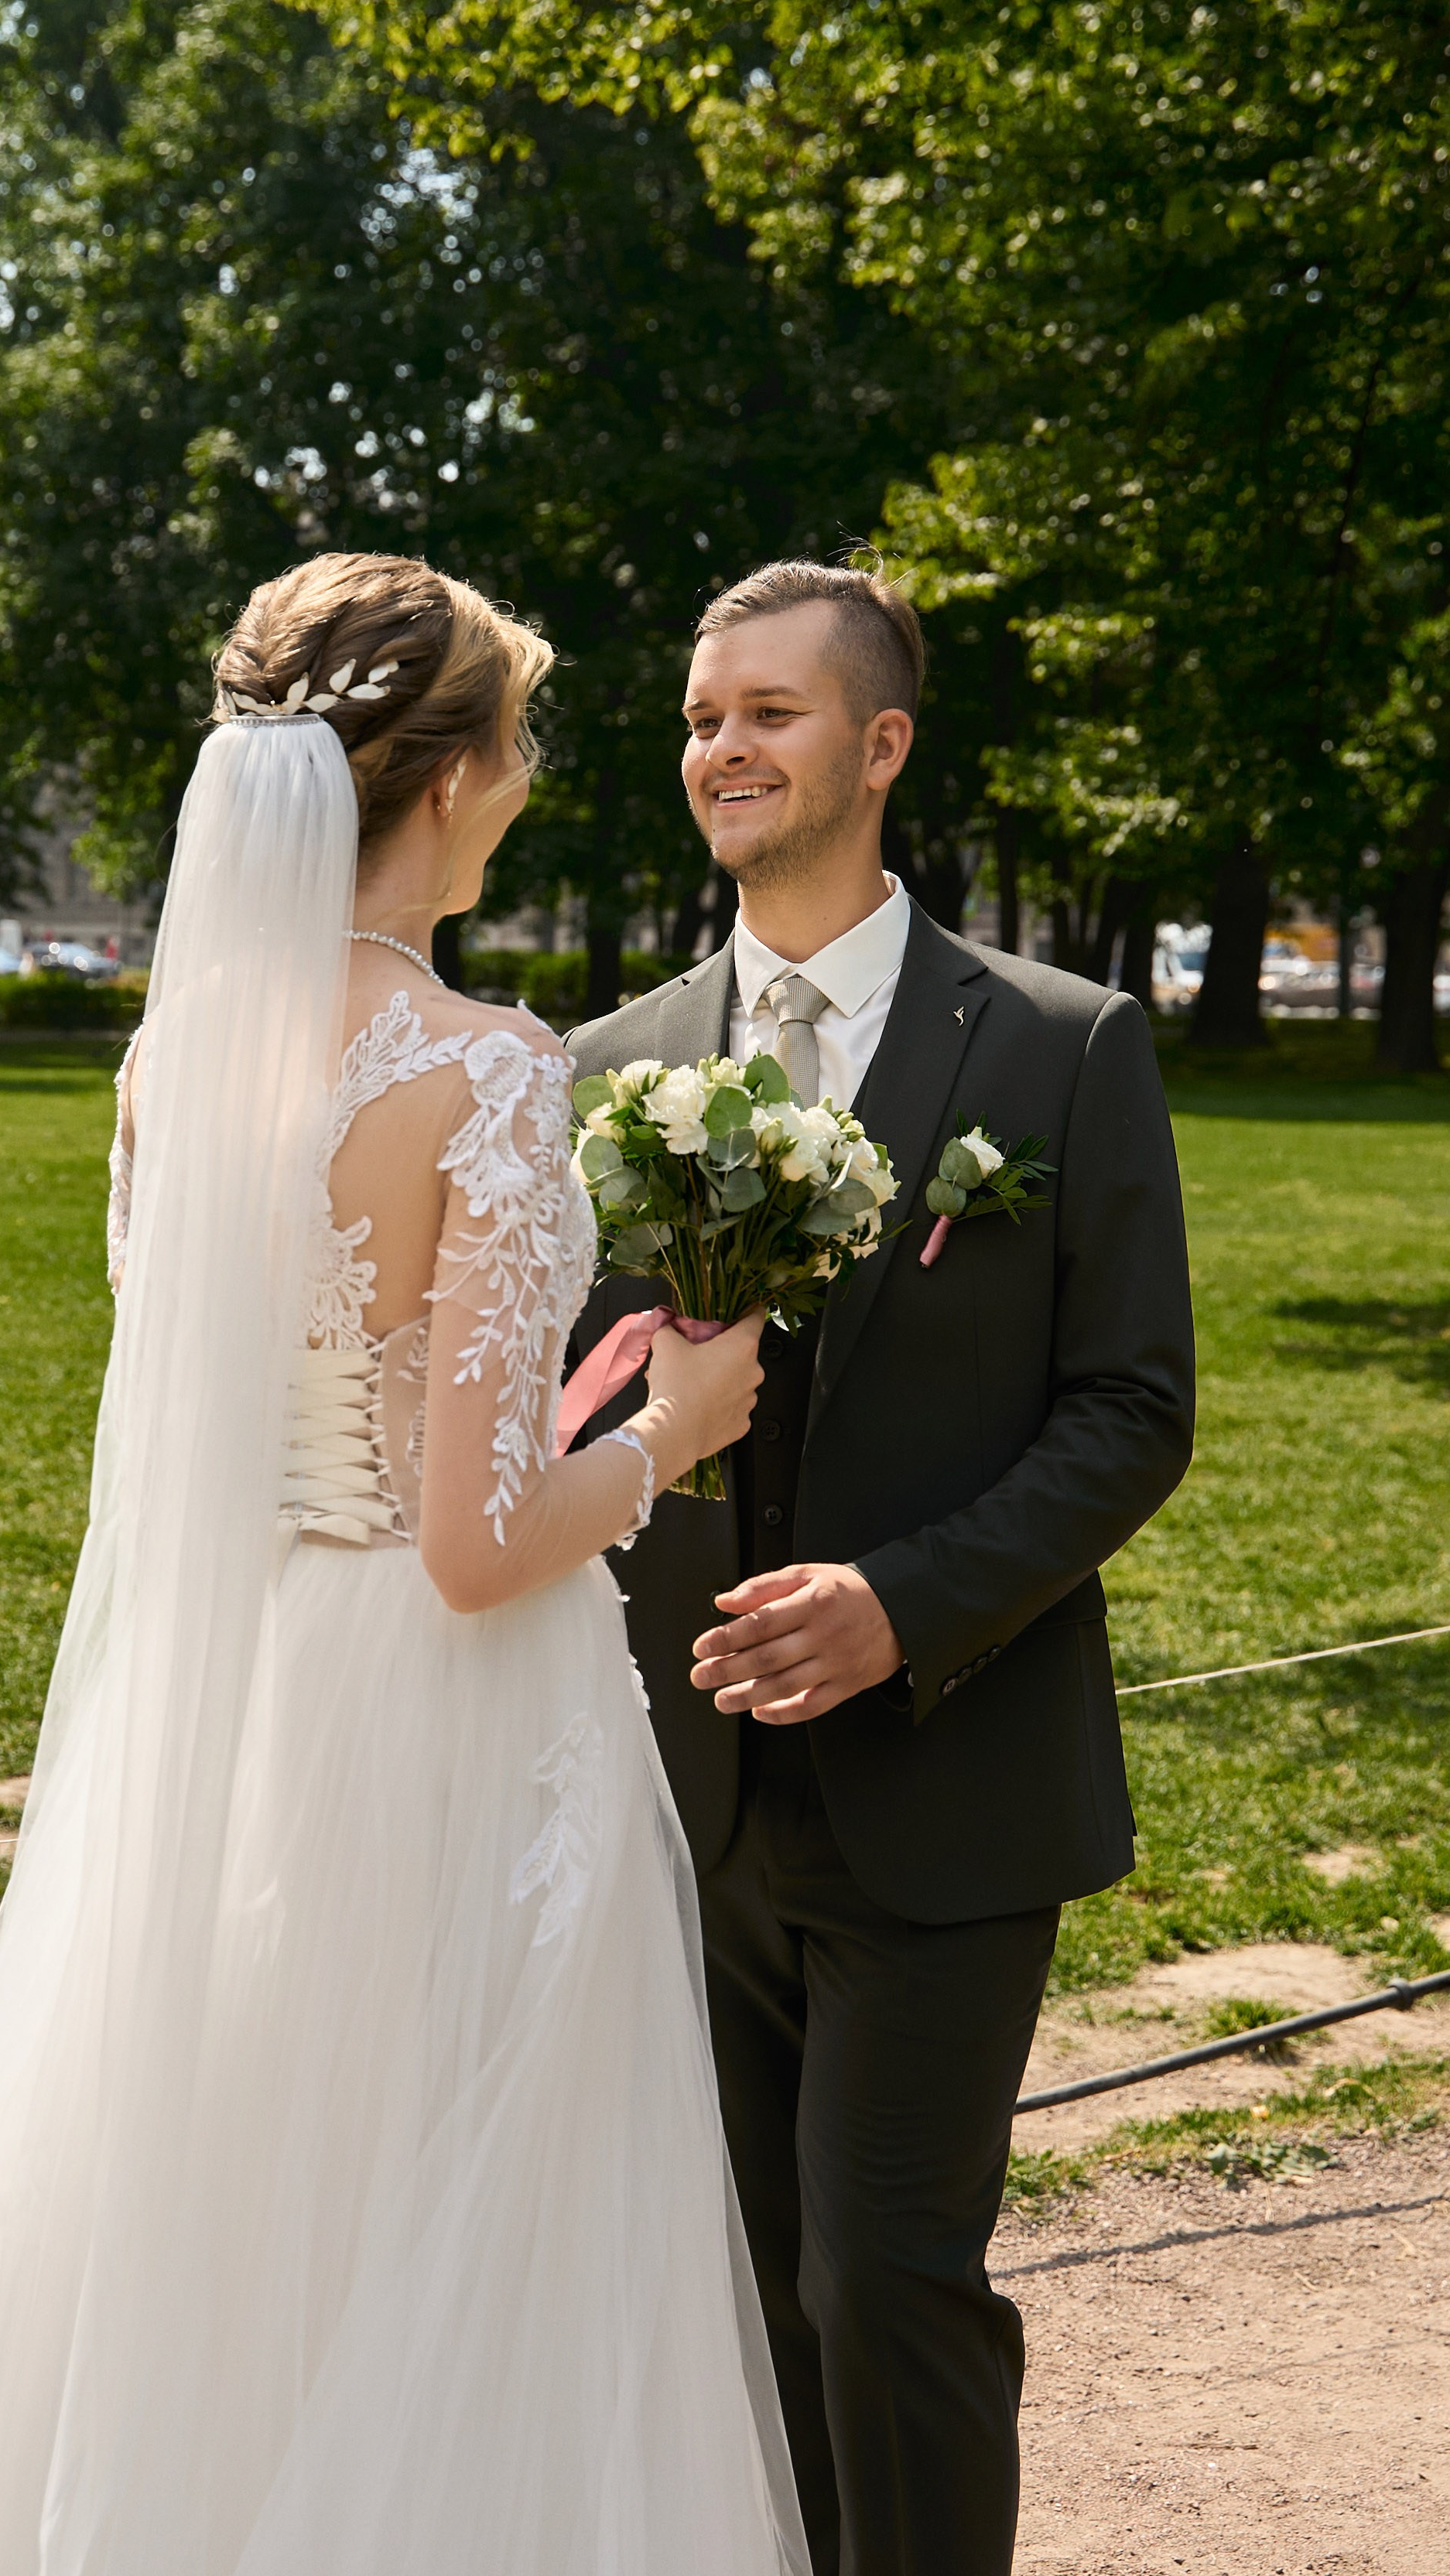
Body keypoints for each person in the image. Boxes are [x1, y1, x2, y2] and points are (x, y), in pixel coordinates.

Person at [0, 553, 805, 2576]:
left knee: (245, 2208)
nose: (538, 774)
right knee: (462, 2235)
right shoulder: (479, 1066)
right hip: (456, 1727)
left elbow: (302, 1443)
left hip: (262, 1679)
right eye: (525, 734)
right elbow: (470, 1544)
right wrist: (667, 1434)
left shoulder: (168, 1063)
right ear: (445, 774)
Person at [567, 559, 1195, 2576]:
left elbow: (1128, 1406)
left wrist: (899, 1603)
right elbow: (558, 1415)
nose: (719, 749)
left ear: (881, 743)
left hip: (948, 1790)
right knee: (747, 2295)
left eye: (766, 710)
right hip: (686, 1801)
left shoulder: (1057, 1045)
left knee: (886, 2280)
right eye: (696, 716)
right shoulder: (605, 1065)